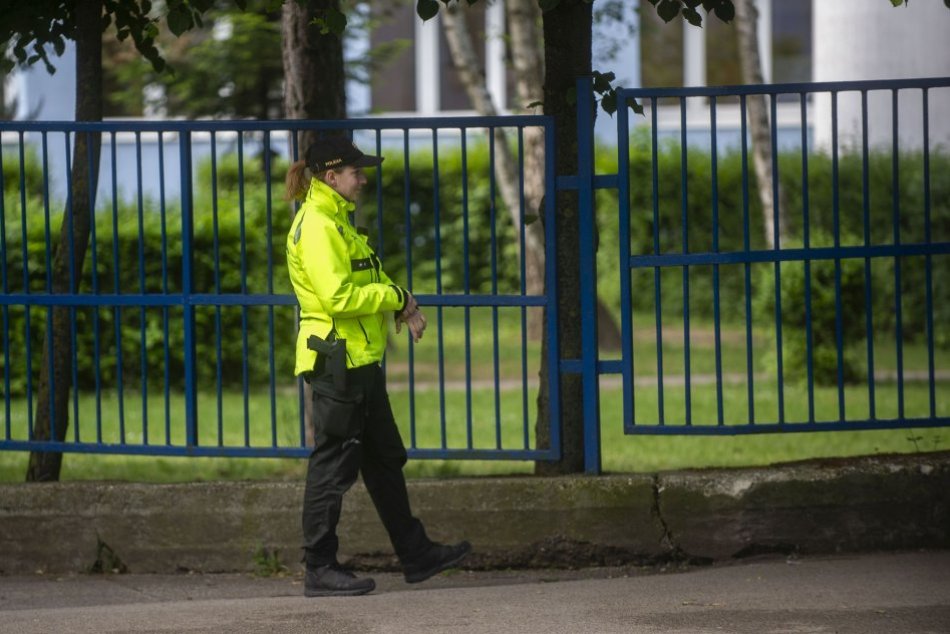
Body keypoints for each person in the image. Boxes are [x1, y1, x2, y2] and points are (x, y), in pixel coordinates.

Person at [284, 136, 471, 597]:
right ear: (331, 176)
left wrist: (401, 303)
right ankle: (319, 568)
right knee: (332, 466)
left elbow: (368, 274)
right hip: (336, 363)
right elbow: (338, 297)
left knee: (384, 461)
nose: (362, 178)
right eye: (355, 171)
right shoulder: (319, 225)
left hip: (360, 360)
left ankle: (416, 554)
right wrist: (398, 298)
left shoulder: (338, 221)